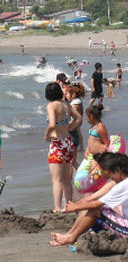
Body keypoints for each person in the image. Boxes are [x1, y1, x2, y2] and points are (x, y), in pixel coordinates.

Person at [50, 152, 128, 246]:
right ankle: (69, 235)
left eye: (110, 175)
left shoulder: (123, 185)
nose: (110, 178)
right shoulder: (120, 183)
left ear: (118, 170)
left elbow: (96, 204)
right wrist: (78, 205)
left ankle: (71, 237)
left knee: (94, 210)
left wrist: (75, 207)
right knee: (91, 206)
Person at [45, 82, 81, 212]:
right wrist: (69, 128)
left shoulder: (51, 106)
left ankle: (57, 207)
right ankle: (69, 206)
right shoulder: (66, 105)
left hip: (57, 143)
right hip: (68, 142)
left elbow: (52, 124)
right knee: (67, 179)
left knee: (56, 180)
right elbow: (78, 118)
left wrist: (47, 135)